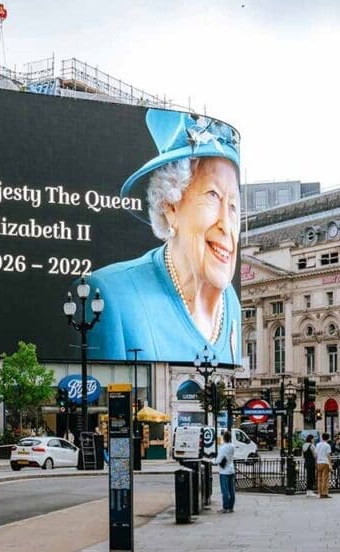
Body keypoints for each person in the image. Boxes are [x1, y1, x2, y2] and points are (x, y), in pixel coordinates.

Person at [86, 109, 242, 363]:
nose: (227, 224)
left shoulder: (231, 302)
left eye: (234, 205)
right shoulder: (108, 295)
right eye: (212, 195)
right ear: (170, 206)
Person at [216, 430, 236, 513]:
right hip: (231, 469)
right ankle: (231, 507)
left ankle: (225, 507)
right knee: (231, 489)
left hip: (224, 471)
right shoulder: (232, 446)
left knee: (225, 490)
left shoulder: (222, 447)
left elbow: (218, 460)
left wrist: (212, 460)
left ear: (224, 438)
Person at [316, 432, 333, 498]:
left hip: (319, 462)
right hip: (325, 462)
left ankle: (320, 493)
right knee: (325, 479)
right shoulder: (327, 445)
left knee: (319, 478)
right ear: (328, 438)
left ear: (322, 437)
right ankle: (324, 493)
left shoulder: (317, 445)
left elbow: (316, 455)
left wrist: (316, 463)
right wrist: (330, 465)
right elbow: (328, 455)